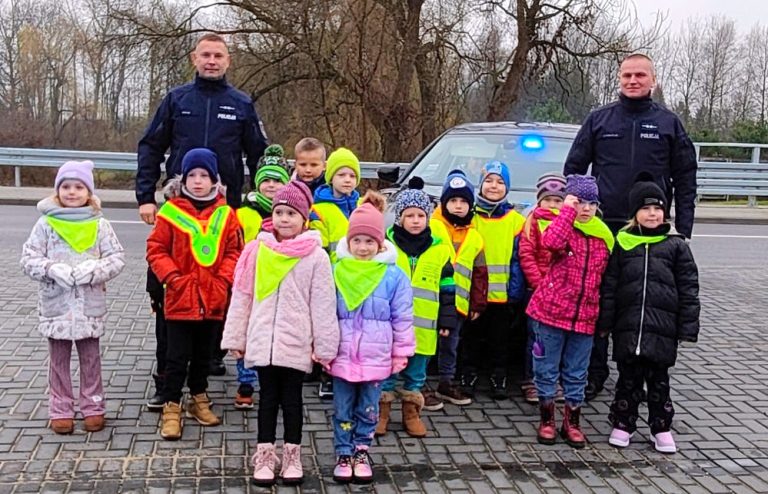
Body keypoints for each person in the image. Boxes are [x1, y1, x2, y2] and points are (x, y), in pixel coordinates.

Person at [137, 33, 268, 407]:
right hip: (178, 213)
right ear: (195, 58)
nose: (212, 61)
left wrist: (264, 202)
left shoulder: (241, 104)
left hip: (222, 212)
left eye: (219, 55)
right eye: (205, 55)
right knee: (167, 289)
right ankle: (167, 371)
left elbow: (261, 157)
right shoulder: (177, 100)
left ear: (229, 60)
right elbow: (150, 146)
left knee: (218, 286)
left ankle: (207, 362)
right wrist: (146, 196)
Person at [563, 53, 698, 401]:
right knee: (599, 300)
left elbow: (686, 178)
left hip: (649, 231)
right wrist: (578, 216)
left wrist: (683, 229)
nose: (633, 81)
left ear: (652, 80)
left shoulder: (669, 123)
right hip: (603, 228)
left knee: (641, 303)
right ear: (619, 79)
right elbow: (574, 169)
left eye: (640, 75)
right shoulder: (599, 119)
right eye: (627, 75)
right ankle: (594, 374)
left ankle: (640, 369)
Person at [221, 181, 340, 487]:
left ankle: (292, 455)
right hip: (262, 339)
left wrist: (324, 346)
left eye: (291, 213)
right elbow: (243, 295)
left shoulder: (316, 256)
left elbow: (323, 304)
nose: (284, 219)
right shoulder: (257, 251)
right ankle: (264, 455)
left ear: (304, 218)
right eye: (279, 212)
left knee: (292, 400)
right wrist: (237, 337)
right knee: (267, 400)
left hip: (296, 342)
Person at [21, 161, 126, 435]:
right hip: (56, 305)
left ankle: (93, 406)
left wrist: (94, 270)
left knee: (91, 359)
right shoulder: (45, 224)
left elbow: (116, 258)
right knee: (58, 361)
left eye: (78, 187)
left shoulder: (100, 224)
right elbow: (28, 258)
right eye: (66, 186)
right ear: (57, 191)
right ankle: (61, 408)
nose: (72, 192)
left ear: (88, 192)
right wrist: (51, 269)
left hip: (88, 306)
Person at [146, 148, 243, 440]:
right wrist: (173, 278)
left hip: (212, 298)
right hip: (179, 298)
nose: (198, 181)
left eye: (204, 175)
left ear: (214, 180)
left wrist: (223, 279)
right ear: (183, 179)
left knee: (204, 356)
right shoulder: (171, 212)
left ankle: (198, 397)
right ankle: (171, 405)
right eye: (192, 175)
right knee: (176, 357)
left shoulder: (226, 214)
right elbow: (156, 249)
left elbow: (235, 251)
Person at [599, 175, 700, 454]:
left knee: (659, 383)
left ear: (664, 212)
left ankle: (661, 428)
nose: (652, 213)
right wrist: (605, 322)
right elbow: (610, 285)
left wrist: (687, 327)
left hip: (662, 330)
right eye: (645, 209)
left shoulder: (676, 245)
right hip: (628, 328)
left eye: (657, 208)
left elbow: (689, 288)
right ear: (635, 214)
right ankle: (623, 423)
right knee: (627, 381)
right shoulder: (623, 244)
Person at [329, 192, 415, 484]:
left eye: (369, 241)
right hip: (341, 354)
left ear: (379, 243)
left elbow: (403, 316)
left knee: (368, 407)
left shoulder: (394, 276)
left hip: (376, 355)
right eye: (357, 241)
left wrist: (401, 351)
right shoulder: (336, 270)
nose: (363, 248)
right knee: (342, 407)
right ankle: (343, 451)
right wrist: (321, 347)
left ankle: (361, 449)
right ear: (348, 241)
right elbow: (325, 313)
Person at [527, 175, 614, 448]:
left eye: (591, 203)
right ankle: (547, 419)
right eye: (580, 202)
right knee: (546, 369)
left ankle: (572, 421)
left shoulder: (604, 236)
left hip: (585, 317)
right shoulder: (561, 227)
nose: (585, 209)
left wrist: (604, 316)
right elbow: (550, 242)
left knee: (577, 372)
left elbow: (607, 279)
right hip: (551, 314)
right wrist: (566, 211)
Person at [375, 178, 456, 438]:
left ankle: (411, 413)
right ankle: (382, 413)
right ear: (399, 218)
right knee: (388, 373)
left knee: (416, 374)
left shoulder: (439, 251)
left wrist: (446, 321)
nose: (415, 220)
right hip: (390, 327)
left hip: (424, 326)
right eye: (409, 215)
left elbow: (447, 289)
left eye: (420, 215)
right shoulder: (385, 248)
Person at [461, 161, 526, 400]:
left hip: (502, 294)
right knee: (471, 337)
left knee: (501, 340)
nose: (493, 186)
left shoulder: (515, 220)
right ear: (480, 185)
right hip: (473, 294)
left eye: (500, 182)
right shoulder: (470, 217)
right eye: (488, 181)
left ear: (507, 188)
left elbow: (519, 258)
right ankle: (469, 374)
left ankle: (499, 376)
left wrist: (515, 290)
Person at [232, 144, 290, 410]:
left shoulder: (291, 215)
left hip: (280, 283)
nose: (271, 185)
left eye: (277, 180)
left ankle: (273, 380)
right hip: (251, 281)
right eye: (265, 180)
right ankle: (246, 381)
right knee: (248, 330)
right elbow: (233, 246)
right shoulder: (244, 213)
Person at [427, 170, 487, 409]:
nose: (458, 206)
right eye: (453, 201)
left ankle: (445, 383)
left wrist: (478, 303)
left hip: (458, 305)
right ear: (444, 203)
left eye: (463, 202)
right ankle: (417, 386)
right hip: (429, 301)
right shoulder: (431, 226)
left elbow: (480, 273)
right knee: (425, 346)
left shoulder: (475, 236)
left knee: (450, 346)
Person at [309, 146, 362, 399]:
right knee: (330, 329)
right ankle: (327, 375)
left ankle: (351, 371)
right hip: (331, 279)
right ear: (331, 177)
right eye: (341, 175)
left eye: (352, 176)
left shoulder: (362, 207)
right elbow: (318, 244)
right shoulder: (320, 209)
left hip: (360, 279)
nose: (347, 180)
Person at [519, 172, 567, 405]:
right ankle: (531, 379)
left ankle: (552, 379)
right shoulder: (532, 221)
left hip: (561, 291)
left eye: (558, 200)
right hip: (536, 290)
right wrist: (538, 283)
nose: (552, 205)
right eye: (548, 200)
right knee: (536, 336)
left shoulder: (569, 223)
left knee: (556, 337)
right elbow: (526, 254)